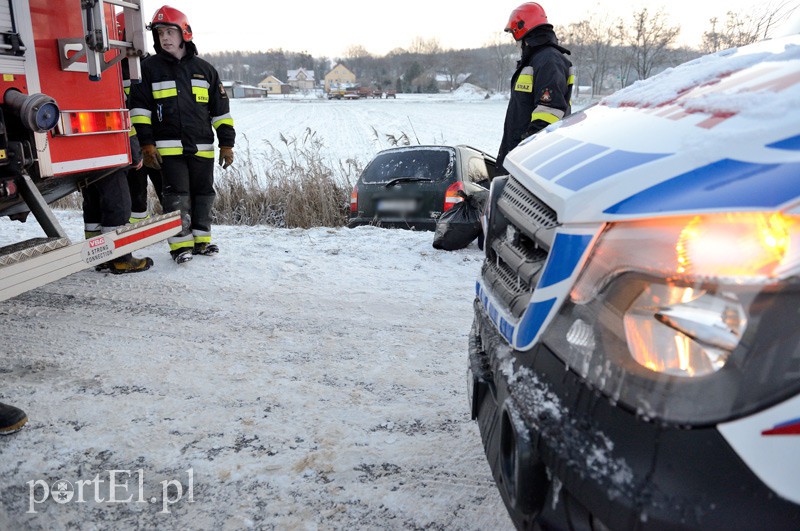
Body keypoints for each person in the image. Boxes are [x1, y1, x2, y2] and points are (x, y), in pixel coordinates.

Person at [129, 5, 235, 264]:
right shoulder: (148, 69)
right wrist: (146, 144)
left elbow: (221, 112)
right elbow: (139, 111)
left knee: (204, 195)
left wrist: (227, 145)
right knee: (176, 198)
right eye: (160, 32)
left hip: (202, 148)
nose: (164, 37)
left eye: (169, 31)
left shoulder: (205, 70)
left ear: (184, 33)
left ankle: (202, 241)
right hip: (167, 150)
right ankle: (179, 247)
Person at [496, 2, 574, 174]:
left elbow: (550, 111)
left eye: (513, 35)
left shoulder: (548, 61)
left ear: (521, 30)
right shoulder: (536, 59)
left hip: (530, 161)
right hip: (518, 155)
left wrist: (526, 150)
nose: (514, 42)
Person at [117, 11, 163, 224]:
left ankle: (181, 232)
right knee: (136, 195)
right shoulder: (113, 69)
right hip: (130, 145)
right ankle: (138, 232)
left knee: (168, 189)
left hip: (156, 141)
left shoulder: (154, 65)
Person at [82, 135, 154, 274]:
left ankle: (99, 257)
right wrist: (135, 153)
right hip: (109, 149)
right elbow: (127, 126)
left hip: (82, 153)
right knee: (118, 205)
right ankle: (121, 259)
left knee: (93, 203)